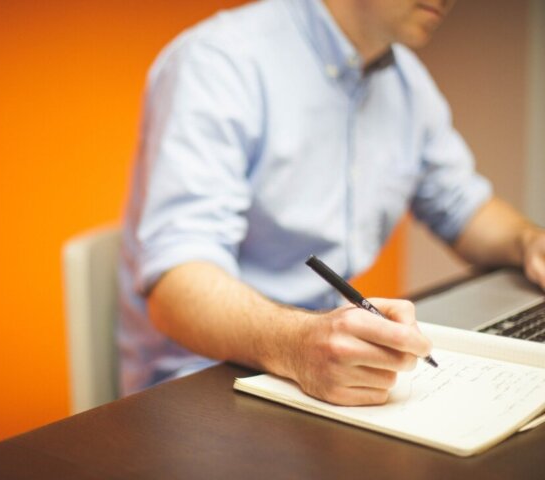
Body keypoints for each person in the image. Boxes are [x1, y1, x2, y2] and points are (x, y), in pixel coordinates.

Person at [118, 0, 545, 403]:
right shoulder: (218, 62)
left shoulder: (406, 83)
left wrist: (529, 243)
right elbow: (176, 287)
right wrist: (298, 345)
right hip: (203, 383)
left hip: (320, 364)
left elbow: (462, 206)